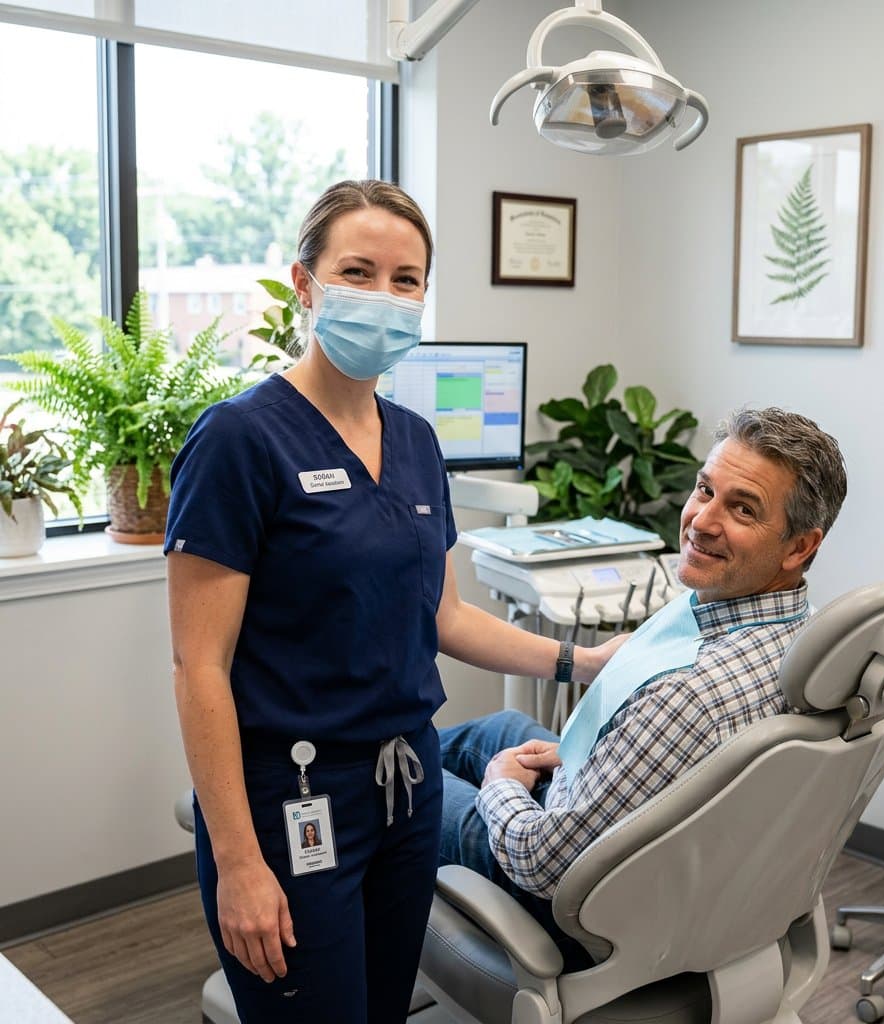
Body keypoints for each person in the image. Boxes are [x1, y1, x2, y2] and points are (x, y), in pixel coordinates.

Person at [164, 180, 624, 1024]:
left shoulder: (416, 442)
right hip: (292, 797)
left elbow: (444, 618)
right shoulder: (237, 440)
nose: (385, 296)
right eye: (359, 271)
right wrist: (236, 859)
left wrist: (582, 659)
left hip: (406, 790)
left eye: (406, 279)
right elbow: (200, 666)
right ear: (305, 284)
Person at [437, 406, 848, 966]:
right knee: (499, 728)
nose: (701, 521)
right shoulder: (803, 633)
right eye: (705, 490)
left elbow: (540, 864)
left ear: (800, 546)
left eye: (743, 509)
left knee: (404, 778)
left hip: (572, 910)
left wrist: (500, 784)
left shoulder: (687, 694)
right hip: (683, 873)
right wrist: (582, 755)